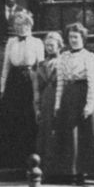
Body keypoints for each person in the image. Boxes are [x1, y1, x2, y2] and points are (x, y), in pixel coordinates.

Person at [53, 21, 94, 185]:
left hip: (83, 95)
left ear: (83, 39)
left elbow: (93, 82)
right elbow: (60, 82)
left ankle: (84, 173)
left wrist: (90, 105)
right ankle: (70, 172)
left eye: (76, 37)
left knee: (85, 135)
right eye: (70, 37)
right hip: (68, 97)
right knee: (70, 136)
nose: (73, 40)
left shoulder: (89, 57)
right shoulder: (63, 57)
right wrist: (57, 104)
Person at [0, 9, 44, 170]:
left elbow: (41, 66)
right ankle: (10, 156)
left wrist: (39, 88)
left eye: (24, 24)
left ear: (29, 25)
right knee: (12, 116)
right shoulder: (11, 42)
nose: (20, 28)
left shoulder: (37, 42)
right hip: (14, 81)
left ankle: (29, 155)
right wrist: (3, 87)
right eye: (17, 25)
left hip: (29, 80)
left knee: (28, 116)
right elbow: (5, 66)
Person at [34, 30, 64, 175]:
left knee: (57, 132)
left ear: (59, 46)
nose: (49, 48)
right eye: (47, 45)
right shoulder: (41, 64)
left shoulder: (64, 62)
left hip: (60, 99)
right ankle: (45, 169)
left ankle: (59, 169)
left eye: (52, 45)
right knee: (45, 133)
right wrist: (37, 106)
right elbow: (37, 87)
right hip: (46, 99)